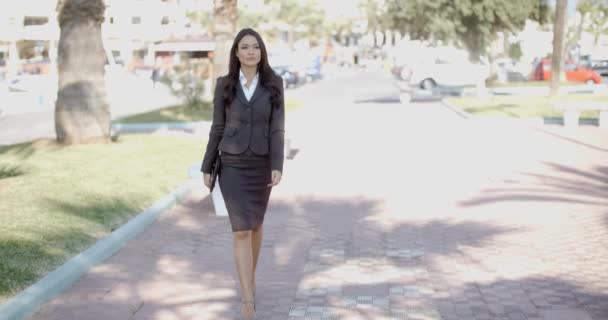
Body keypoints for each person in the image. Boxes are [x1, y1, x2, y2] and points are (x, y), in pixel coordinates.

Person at [200, 28, 285, 320]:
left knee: (257, 226)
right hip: (232, 164)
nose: (251, 52)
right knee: (242, 230)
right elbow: (217, 127)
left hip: (261, 163)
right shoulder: (225, 85)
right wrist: (207, 165)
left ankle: (248, 281)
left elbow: (277, 127)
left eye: (256, 47)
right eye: (245, 47)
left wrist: (277, 163)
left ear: (262, 53)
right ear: (236, 53)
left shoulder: (275, 84)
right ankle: (248, 302)